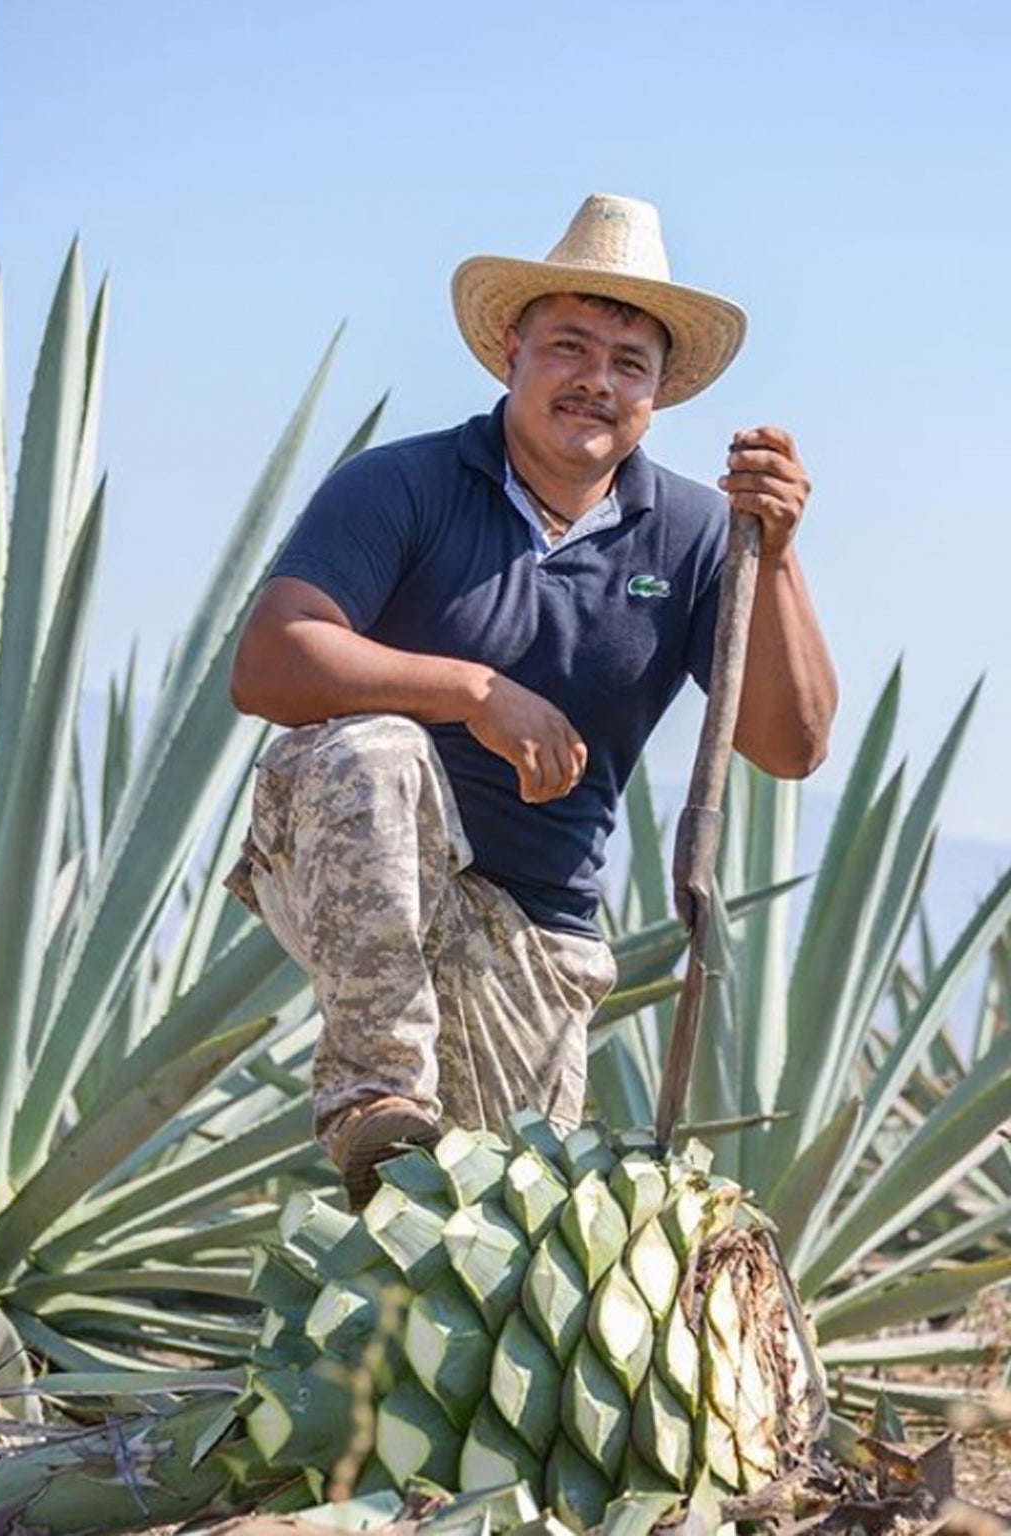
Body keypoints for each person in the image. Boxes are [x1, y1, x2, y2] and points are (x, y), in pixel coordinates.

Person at [224, 193, 837, 1205]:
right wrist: (470, 691)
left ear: (655, 393)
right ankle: (372, 1091)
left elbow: (789, 745)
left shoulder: (688, 536)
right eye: (568, 346)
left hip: (533, 934)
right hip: (357, 865)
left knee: (491, 1239)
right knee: (370, 746)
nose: (594, 382)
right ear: (510, 350)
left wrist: (771, 559)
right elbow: (268, 663)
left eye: (626, 363)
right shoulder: (402, 486)